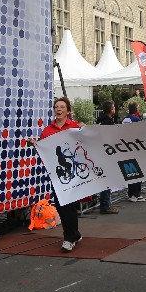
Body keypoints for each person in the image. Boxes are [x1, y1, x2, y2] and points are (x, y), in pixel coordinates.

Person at [28, 97, 84, 251]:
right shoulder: (48, 130)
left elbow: (86, 143)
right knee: (60, 204)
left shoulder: (75, 127)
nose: (58, 109)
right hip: (57, 174)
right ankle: (75, 234)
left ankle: (69, 237)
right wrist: (35, 145)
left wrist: (86, 130)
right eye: (56, 107)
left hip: (73, 172)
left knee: (69, 204)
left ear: (68, 111)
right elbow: (43, 150)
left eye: (62, 107)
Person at [95, 101, 121, 215]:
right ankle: (105, 205)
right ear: (111, 110)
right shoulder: (109, 123)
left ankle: (106, 204)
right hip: (107, 154)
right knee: (107, 180)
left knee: (105, 179)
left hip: (100, 153)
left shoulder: (99, 121)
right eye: (114, 107)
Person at [122, 101, 146, 202]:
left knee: (130, 172)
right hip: (135, 147)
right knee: (138, 172)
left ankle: (131, 194)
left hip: (125, 148)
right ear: (136, 109)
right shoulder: (136, 119)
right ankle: (136, 194)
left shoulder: (124, 119)